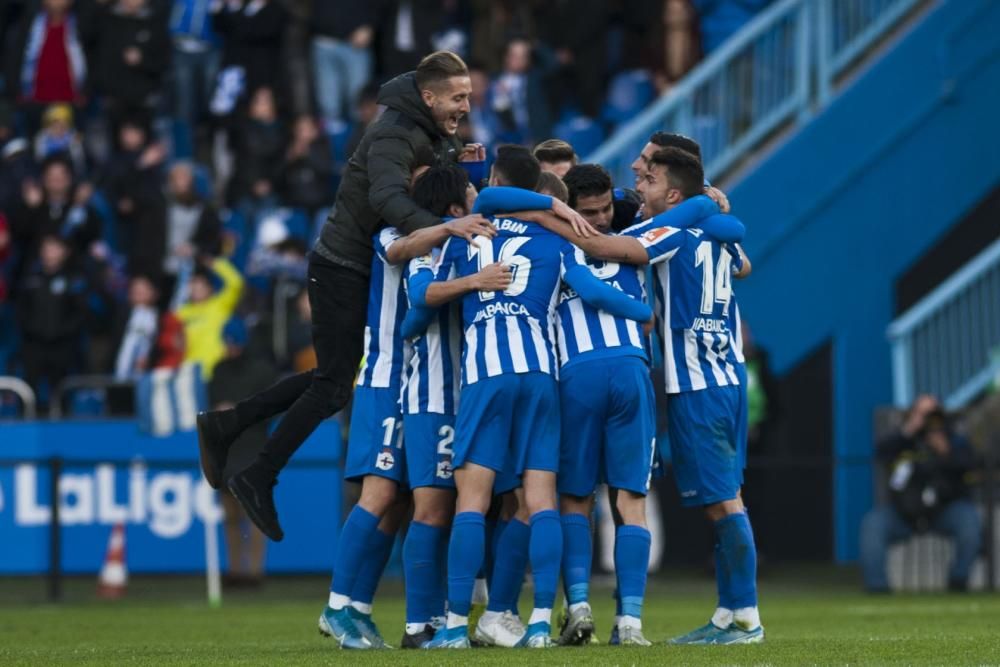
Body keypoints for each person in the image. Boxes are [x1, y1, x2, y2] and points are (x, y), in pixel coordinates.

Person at [196, 51, 585, 543]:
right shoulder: (392, 134)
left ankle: (231, 428)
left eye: (468, 96)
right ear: (429, 96)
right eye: (458, 97)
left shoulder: (432, 132)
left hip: (357, 265)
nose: (467, 105)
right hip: (340, 265)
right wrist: (447, 226)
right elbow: (389, 200)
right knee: (334, 385)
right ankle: (256, 472)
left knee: (330, 379)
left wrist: (473, 168)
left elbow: (445, 186)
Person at [524, 147, 759, 644]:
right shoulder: (715, 228)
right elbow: (744, 263)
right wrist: (716, 204)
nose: (639, 189)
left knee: (722, 503)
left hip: (696, 382)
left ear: (672, 192)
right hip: (726, 374)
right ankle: (721, 613)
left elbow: (615, 251)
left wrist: (555, 223)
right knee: (695, 499)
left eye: (648, 179)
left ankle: (746, 618)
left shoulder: (664, 233)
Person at [418, 146, 632, 649]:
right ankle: (538, 623)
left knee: (472, 501)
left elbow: (419, 298)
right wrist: (641, 316)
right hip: (539, 373)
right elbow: (594, 292)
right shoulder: (556, 242)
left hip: (485, 373)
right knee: (541, 503)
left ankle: (452, 627)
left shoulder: (469, 234)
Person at [318, 192, 498, 651]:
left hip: (418, 380)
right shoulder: (398, 233)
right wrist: (449, 226)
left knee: (401, 500)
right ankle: (338, 605)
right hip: (388, 378)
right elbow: (401, 252)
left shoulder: (447, 235)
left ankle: (359, 609)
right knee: (382, 494)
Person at [860, 395, 982, 592]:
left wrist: (945, 450)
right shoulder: (902, 440)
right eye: (921, 413)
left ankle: (958, 580)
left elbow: (969, 464)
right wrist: (909, 431)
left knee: (969, 522)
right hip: (904, 512)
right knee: (873, 524)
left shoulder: (955, 440)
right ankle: (877, 588)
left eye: (931, 413)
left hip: (944, 509)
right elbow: (881, 453)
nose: (927, 419)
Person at [210, 317, 275, 588]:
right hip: (229, 450)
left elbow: (269, 409)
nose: (230, 347)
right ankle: (236, 570)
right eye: (227, 342)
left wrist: (236, 411)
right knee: (231, 516)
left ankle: (255, 572)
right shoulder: (219, 370)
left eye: (234, 342)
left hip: (253, 448)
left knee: (254, 514)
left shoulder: (262, 371)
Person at [16, 234, 87, 408]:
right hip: (34, 344)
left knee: (61, 390)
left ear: (65, 252)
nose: (50, 253)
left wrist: (63, 332)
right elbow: (21, 309)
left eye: (55, 248)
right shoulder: (30, 278)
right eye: (47, 248)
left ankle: (63, 425)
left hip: (61, 346)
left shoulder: (73, 280)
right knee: (28, 388)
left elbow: (79, 313)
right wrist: (32, 330)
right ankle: (26, 424)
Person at [175, 256, 243, 381]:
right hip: (188, 372)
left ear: (210, 288)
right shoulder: (181, 312)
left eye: (201, 285)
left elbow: (236, 283)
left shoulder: (219, 305)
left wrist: (215, 263)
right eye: (193, 285)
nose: (197, 289)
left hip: (214, 371)